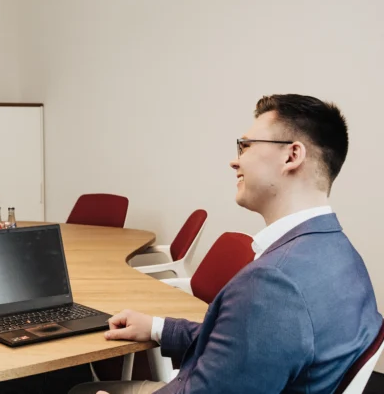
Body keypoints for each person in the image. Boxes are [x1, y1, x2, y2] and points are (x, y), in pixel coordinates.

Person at [71, 94, 382, 394]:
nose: (235, 161)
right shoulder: (340, 254)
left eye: (245, 146)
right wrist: (158, 327)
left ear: (291, 155)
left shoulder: (272, 285)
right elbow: (250, 345)